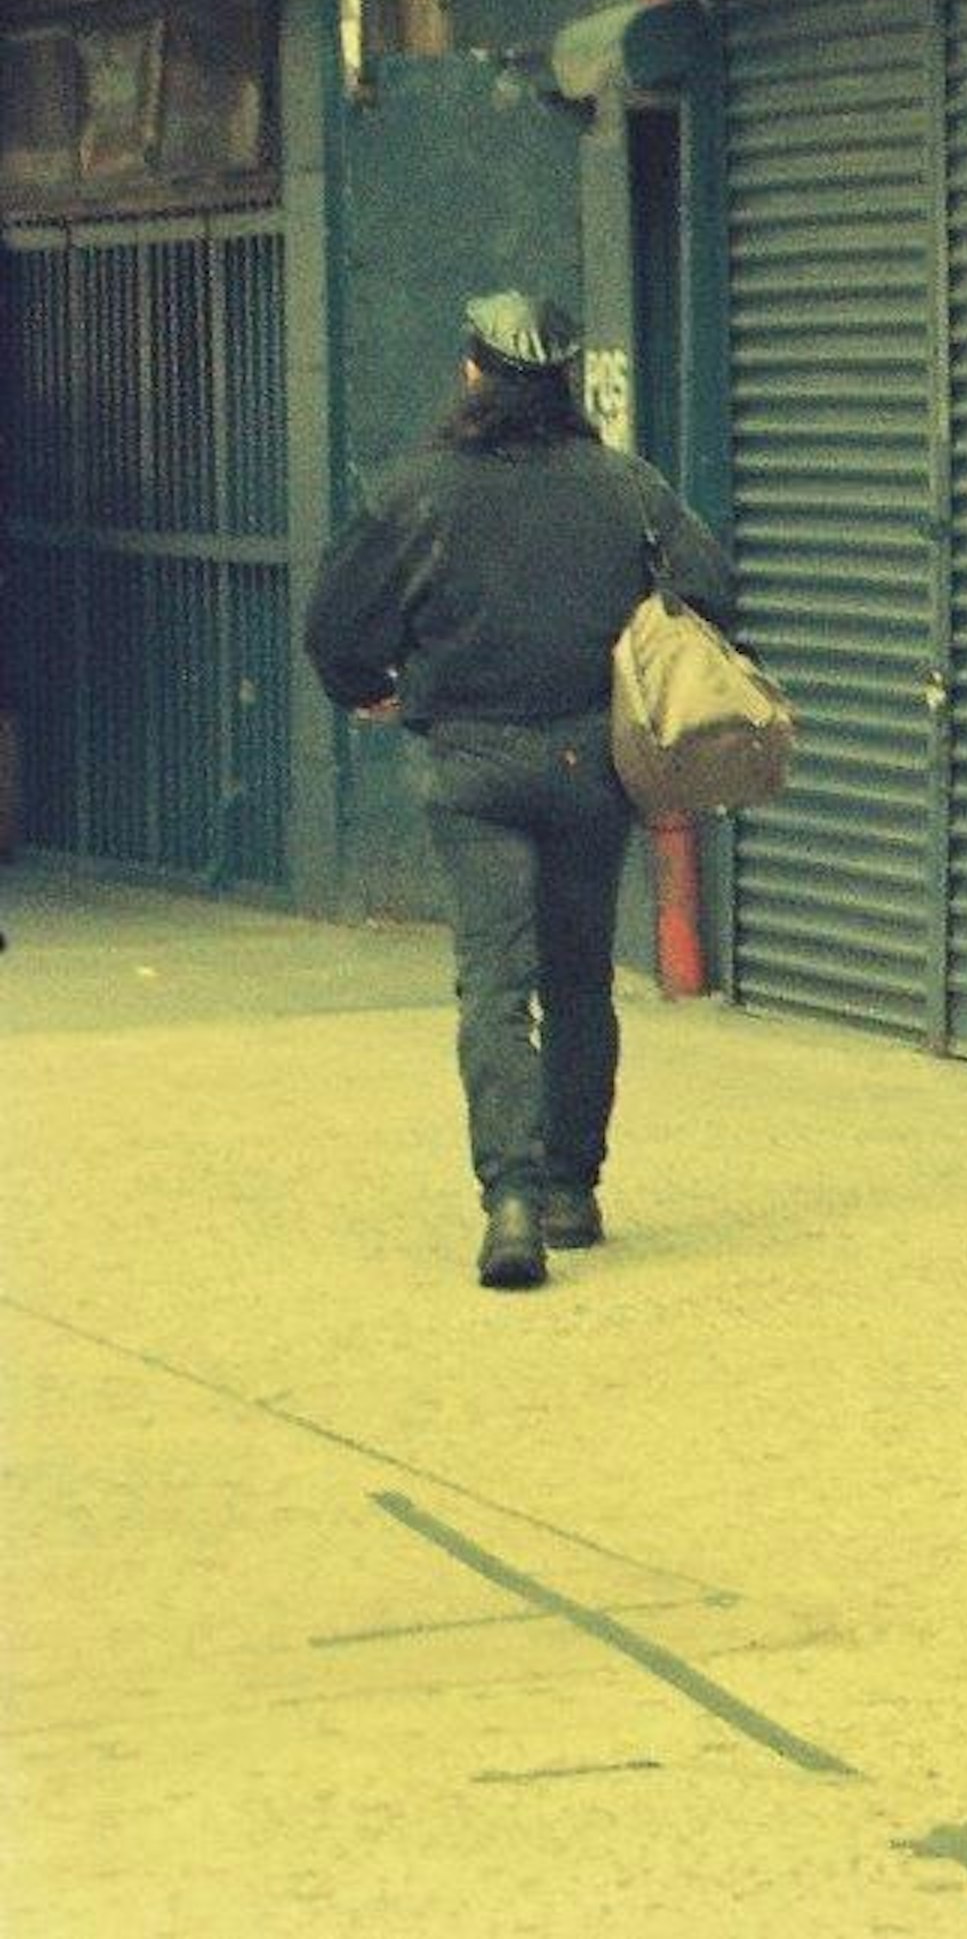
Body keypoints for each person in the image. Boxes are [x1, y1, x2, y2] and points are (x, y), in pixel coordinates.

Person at [302, 292, 737, 1292]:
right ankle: (573, 1192)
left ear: (471, 376)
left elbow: (336, 626)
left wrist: (371, 690)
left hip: (472, 766)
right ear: (566, 385)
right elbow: (713, 590)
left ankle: (508, 1199)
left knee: (495, 985)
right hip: (593, 763)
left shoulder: (412, 493)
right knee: (580, 980)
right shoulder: (628, 488)